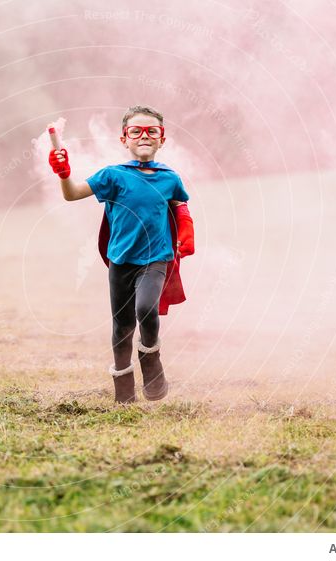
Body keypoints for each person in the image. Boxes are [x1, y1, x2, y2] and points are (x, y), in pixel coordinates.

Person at [48, 105, 195, 403]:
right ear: (124, 139)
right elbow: (72, 193)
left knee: (146, 309)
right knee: (123, 326)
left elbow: (180, 206)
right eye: (136, 131)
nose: (144, 136)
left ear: (161, 139)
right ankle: (124, 392)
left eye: (152, 131)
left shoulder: (170, 178)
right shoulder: (113, 176)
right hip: (121, 262)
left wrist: (186, 232)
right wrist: (63, 174)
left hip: (157, 258)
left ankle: (151, 362)